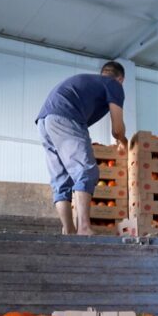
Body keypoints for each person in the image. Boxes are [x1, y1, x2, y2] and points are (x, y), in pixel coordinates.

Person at [36, 61, 127, 235]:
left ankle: (68, 230)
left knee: (61, 179)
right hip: (65, 116)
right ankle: (84, 228)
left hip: (43, 121)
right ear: (121, 79)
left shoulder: (92, 82)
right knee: (86, 171)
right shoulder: (114, 85)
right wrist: (123, 141)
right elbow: (117, 129)